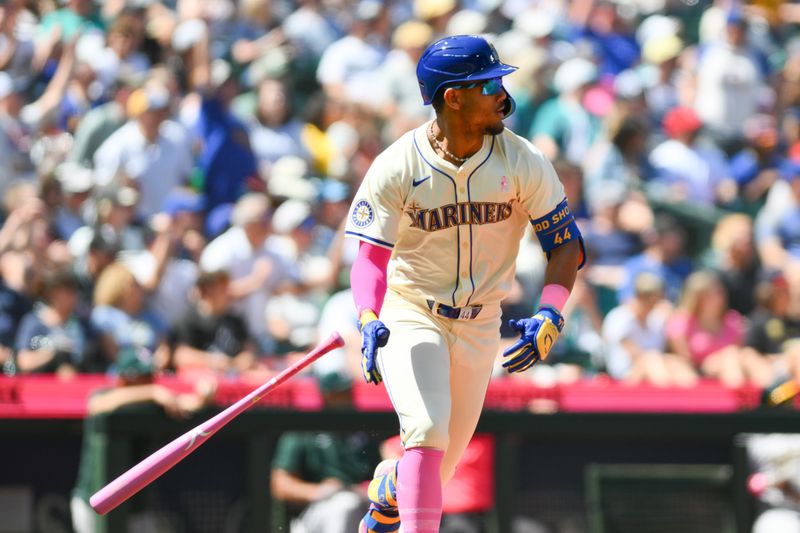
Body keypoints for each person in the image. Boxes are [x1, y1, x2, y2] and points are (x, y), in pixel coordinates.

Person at [344, 35, 584, 533]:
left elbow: (565, 245)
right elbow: (369, 258)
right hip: (412, 311)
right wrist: (368, 315)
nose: (503, 93)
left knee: (437, 469)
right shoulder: (398, 165)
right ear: (454, 97)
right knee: (426, 434)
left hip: (481, 323)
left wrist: (552, 311)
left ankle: (390, 490)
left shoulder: (522, 160)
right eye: (489, 83)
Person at [270, 371, 381, 533]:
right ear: (327, 396)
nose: (350, 396)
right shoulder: (305, 430)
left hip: (359, 500)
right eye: (342, 393)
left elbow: (376, 474)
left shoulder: (361, 431)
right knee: (345, 505)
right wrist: (319, 490)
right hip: (315, 511)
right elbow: (280, 484)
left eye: (349, 391)